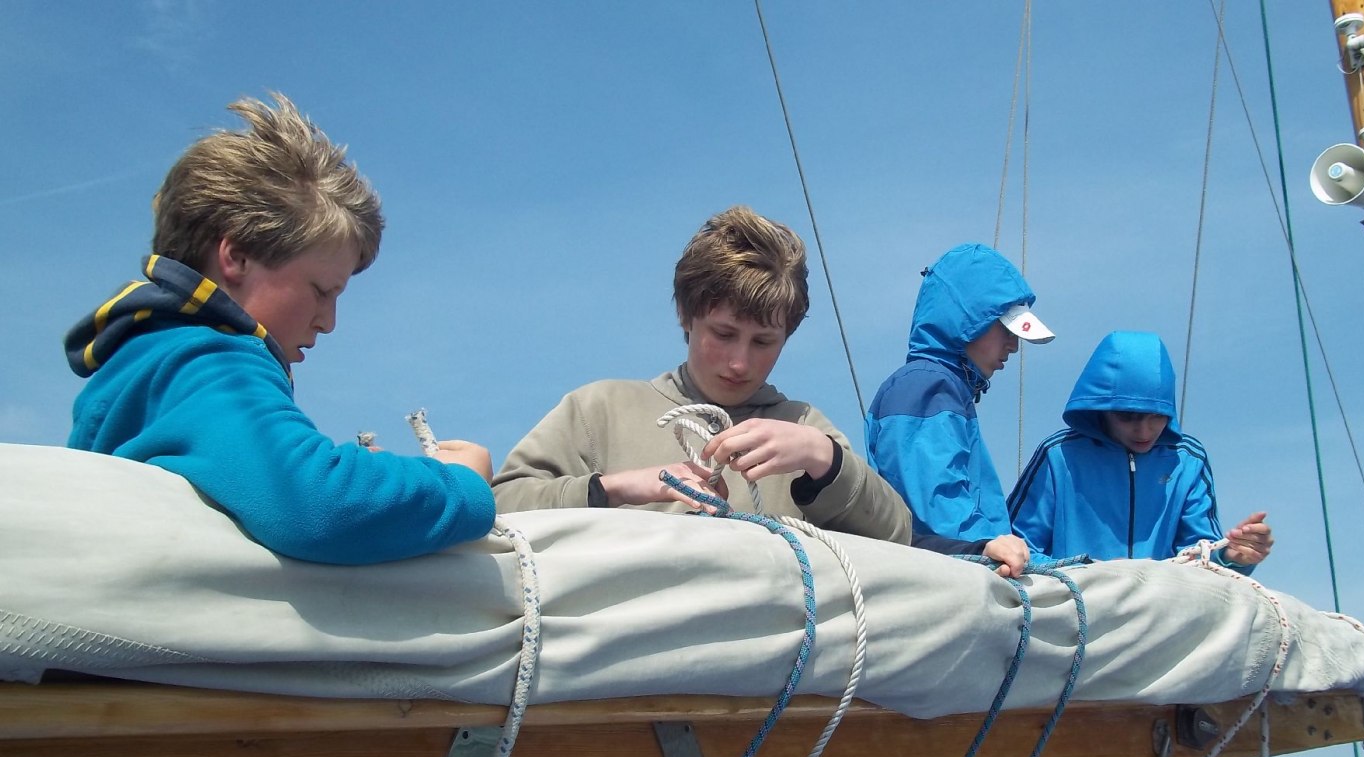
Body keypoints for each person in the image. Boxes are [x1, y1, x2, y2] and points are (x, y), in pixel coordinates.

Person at [63, 93, 496, 565]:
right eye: (321, 290)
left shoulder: (143, 358)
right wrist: (457, 483)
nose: (328, 323)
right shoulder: (207, 359)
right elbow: (314, 501)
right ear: (237, 257)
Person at [492, 205, 911, 544]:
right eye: (724, 333)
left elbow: (898, 537)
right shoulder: (597, 411)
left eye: (763, 342)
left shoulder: (805, 428)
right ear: (685, 315)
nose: (740, 363)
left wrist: (826, 459)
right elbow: (498, 508)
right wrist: (613, 489)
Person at [1006, 330, 1274, 757]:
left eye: (1156, 414)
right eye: (1130, 415)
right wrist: (1092, 575)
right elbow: (1015, 551)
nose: (1146, 428)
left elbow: (1205, 562)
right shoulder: (1058, 459)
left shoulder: (1187, 461)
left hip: (1169, 667)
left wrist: (1238, 559)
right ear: (1099, 407)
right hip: (1078, 664)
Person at [865, 243, 1055, 577]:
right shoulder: (926, 386)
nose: (1013, 345)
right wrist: (989, 546)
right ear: (965, 321)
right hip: (945, 577)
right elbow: (938, 508)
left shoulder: (937, 386)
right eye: (1004, 329)